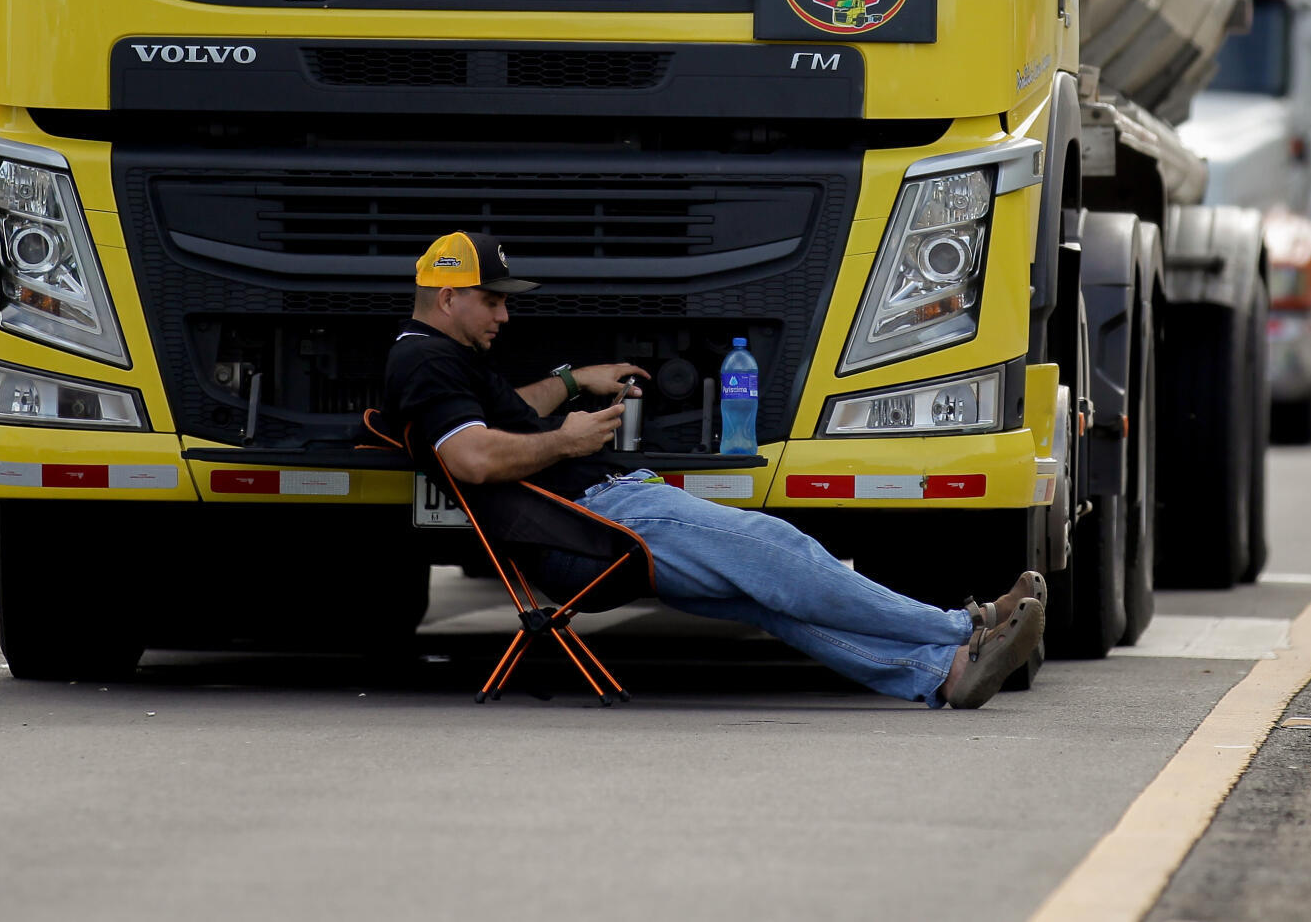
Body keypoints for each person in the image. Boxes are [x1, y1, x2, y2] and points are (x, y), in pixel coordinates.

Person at [384, 230, 1045, 708]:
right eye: (492, 300)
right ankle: (966, 625)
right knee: (781, 550)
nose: (505, 313)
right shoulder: (426, 363)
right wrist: (568, 441)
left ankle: (945, 673)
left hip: (594, 516)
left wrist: (572, 379)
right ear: (447, 298)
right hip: (596, 522)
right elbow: (469, 457)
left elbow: (505, 415)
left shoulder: (444, 360)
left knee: (769, 598)